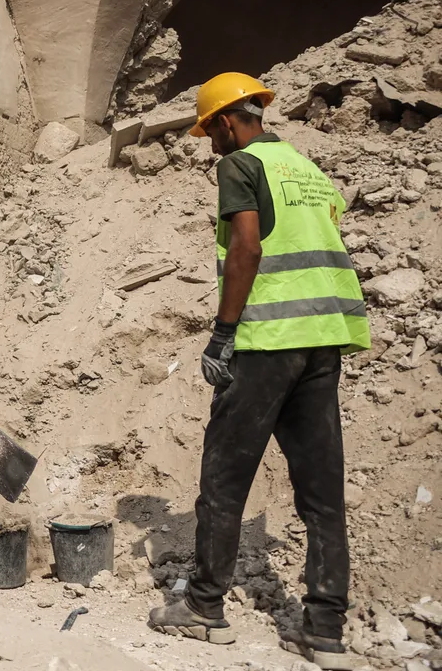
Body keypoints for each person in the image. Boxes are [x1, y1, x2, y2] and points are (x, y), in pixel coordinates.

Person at [147, 73, 369, 670]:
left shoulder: (240, 166)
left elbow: (248, 247)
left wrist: (223, 334)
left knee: (223, 478)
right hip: (323, 341)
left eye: (208, 130)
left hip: (267, 341)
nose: (208, 144)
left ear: (225, 121)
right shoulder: (306, 168)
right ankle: (324, 632)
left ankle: (203, 608)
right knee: (322, 492)